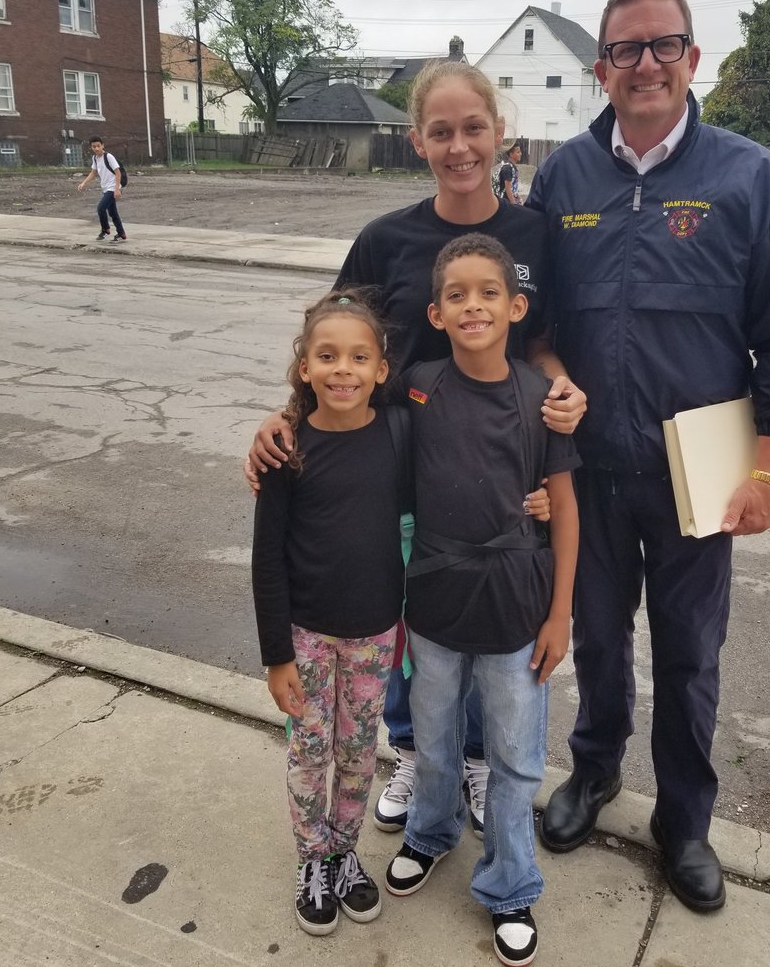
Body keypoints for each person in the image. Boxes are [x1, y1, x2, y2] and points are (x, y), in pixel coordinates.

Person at [529, 0, 770, 913]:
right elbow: (530, 319)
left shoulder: (749, 178)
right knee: (596, 640)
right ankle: (594, 773)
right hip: (591, 469)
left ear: (692, 58)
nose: (646, 64)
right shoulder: (563, 176)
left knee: (691, 653)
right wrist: (546, 397)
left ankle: (686, 819)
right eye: (627, 49)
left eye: (664, 45)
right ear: (602, 67)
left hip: (698, 471)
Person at [245, 60, 586, 839]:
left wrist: (563, 389)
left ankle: (468, 759)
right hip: (396, 459)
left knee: (480, 616)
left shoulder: (535, 235)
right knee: (410, 618)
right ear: (417, 141)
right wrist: (284, 417)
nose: (459, 145)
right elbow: (333, 335)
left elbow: (543, 346)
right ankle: (412, 752)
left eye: (474, 129)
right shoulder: (387, 238)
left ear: (500, 135)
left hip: (496, 462)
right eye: (442, 132)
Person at [384, 233, 580, 967]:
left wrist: (560, 614)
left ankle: (509, 883)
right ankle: (430, 834)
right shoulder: (418, 387)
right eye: (457, 296)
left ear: (516, 306)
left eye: (488, 293)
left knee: (515, 760)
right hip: (433, 603)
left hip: (515, 612)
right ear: (435, 313)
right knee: (433, 741)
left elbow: (564, 509)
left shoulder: (542, 400)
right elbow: (359, 437)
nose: (473, 306)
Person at [251, 290, 403, 937]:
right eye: (328, 356)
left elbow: (456, 487)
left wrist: (533, 503)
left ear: (380, 370)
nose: (344, 368)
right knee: (311, 754)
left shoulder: (399, 435)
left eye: (358, 356)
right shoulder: (288, 449)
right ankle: (311, 859)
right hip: (307, 638)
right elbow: (266, 561)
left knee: (360, 754)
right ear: (306, 367)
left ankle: (344, 854)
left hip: (375, 635)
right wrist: (276, 657)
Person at [77, 136, 127, 242]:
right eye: (94, 146)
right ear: (91, 147)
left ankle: (105, 230)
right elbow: (93, 173)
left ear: (102, 145)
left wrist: (117, 189)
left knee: (100, 208)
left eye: (98, 146)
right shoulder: (95, 158)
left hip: (112, 188)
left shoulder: (108, 157)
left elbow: (118, 172)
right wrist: (84, 183)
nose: (96, 148)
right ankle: (121, 233)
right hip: (105, 188)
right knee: (113, 212)